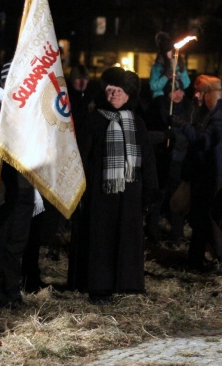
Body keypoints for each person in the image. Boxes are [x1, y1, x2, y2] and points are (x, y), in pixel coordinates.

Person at [67, 67, 158, 304]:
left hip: (130, 193)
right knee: (101, 241)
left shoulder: (137, 122)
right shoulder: (94, 120)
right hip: (100, 194)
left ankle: (125, 283)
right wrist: (80, 189)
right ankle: (100, 288)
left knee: (126, 239)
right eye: (111, 90)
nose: (115, 94)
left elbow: (147, 158)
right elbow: (82, 156)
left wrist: (150, 191)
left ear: (129, 94)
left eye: (120, 90)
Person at [169, 75, 222, 270]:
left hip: (213, 171)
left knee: (200, 215)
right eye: (195, 91)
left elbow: (203, 141)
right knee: (197, 215)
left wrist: (182, 125)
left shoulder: (220, 116)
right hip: (201, 170)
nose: (196, 95)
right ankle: (196, 259)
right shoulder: (204, 112)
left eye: (200, 92)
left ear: (210, 94)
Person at [0, 61, 38, 308]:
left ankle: (12, 292)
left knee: (17, 243)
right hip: (5, 187)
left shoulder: (31, 109)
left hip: (25, 184)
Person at [144, 77, 193, 243]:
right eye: (174, 91)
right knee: (159, 195)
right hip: (162, 159)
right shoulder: (159, 105)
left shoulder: (188, 107)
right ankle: (152, 230)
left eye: (180, 90)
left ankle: (177, 234)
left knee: (177, 197)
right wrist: (165, 135)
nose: (178, 94)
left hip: (180, 160)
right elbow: (151, 129)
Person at [149, 32, 190, 99]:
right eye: (168, 51)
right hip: (162, 97)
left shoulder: (180, 65)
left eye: (172, 51)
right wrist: (166, 77)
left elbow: (186, 84)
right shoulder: (157, 67)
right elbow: (153, 86)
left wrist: (178, 78)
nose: (171, 53)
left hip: (177, 97)